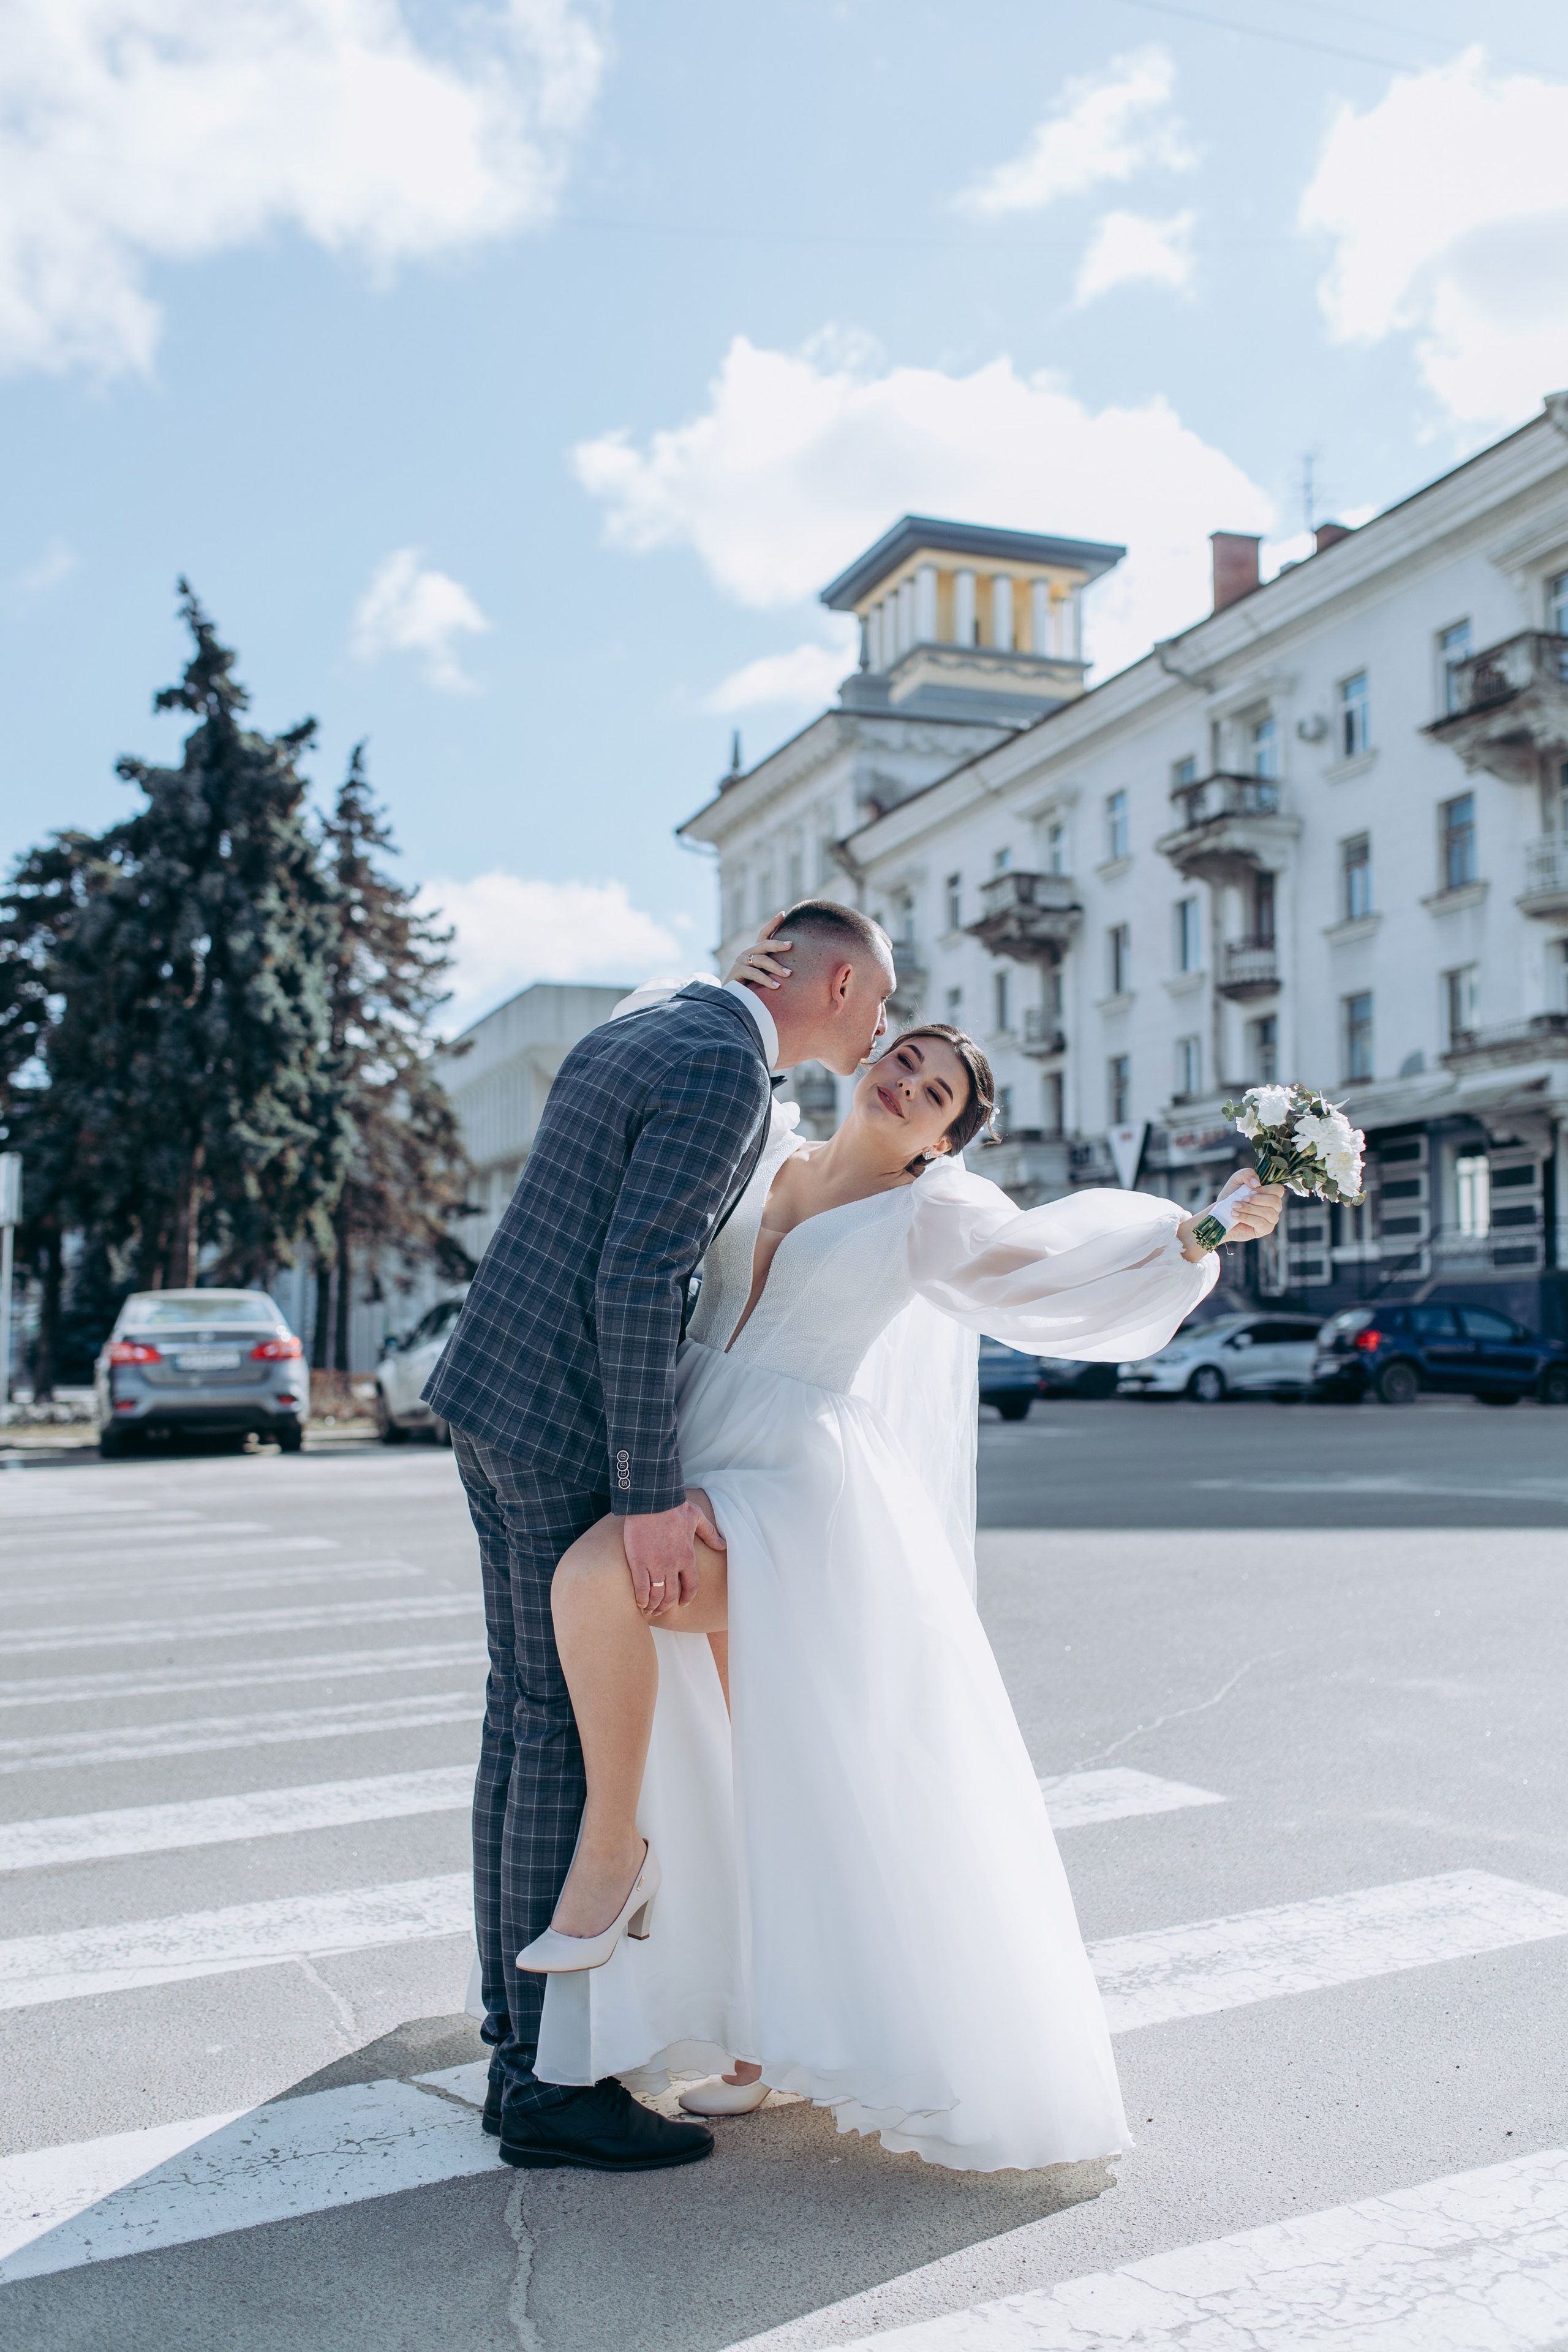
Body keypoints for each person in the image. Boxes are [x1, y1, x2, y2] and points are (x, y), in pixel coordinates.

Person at [512, 925, 1283, 2173]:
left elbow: (1049, 1267)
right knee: (756, 1768)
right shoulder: (761, 1148)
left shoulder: (934, 1211)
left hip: (788, 1490)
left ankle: (615, 1855)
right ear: (864, 1055)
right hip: (686, 1449)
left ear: (942, 1137)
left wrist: (1194, 1236)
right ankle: (757, 2036)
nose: (907, 1082)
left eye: (934, 1092)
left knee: (601, 1583)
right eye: (904, 1057)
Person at [423, 900, 897, 2171]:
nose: (882, 1034)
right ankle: (539, 2085)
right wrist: (646, 1494)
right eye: (882, 1006)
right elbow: (635, 1278)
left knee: (520, 1717)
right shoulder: (721, 1070)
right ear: (840, 983)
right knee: (558, 1736)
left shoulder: (666, 1024)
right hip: (561, 1424)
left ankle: (511, 2021)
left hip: (494, 1396)